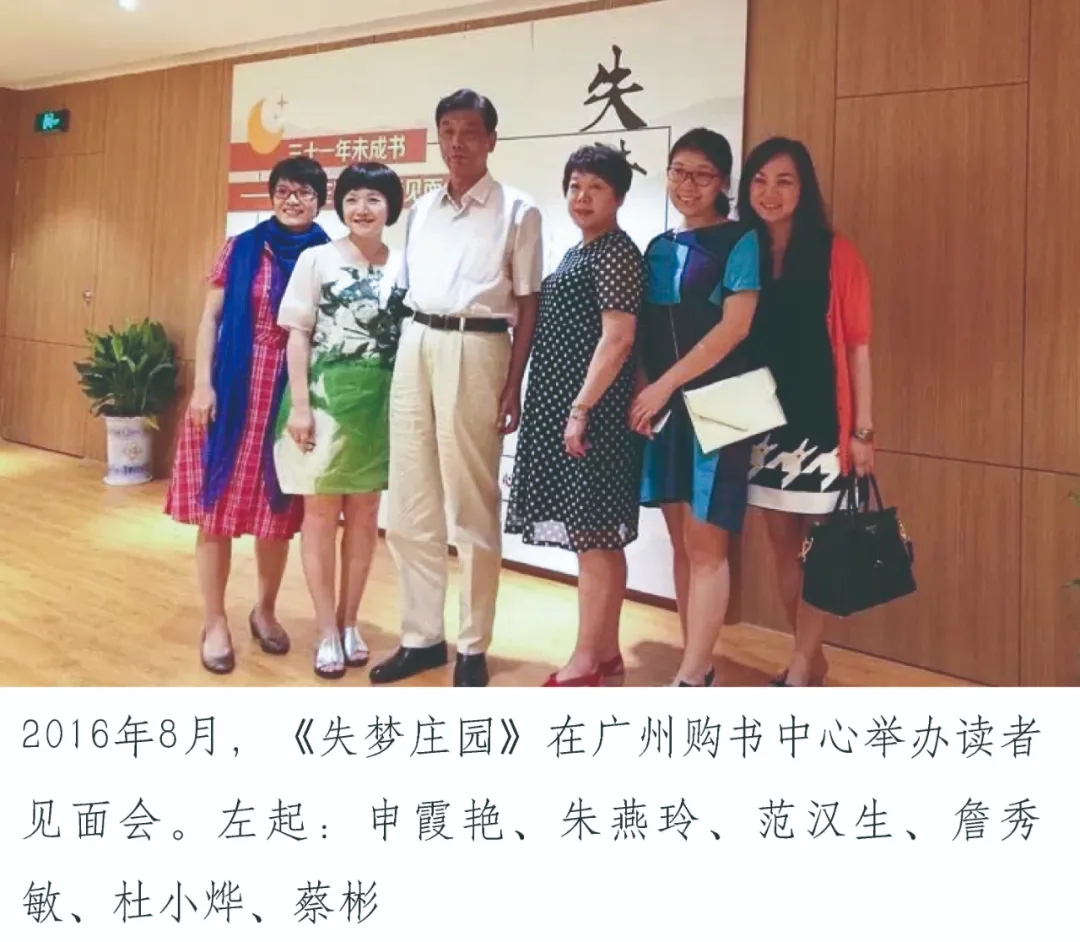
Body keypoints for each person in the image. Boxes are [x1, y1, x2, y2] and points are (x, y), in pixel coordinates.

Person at [370, 89, 543, 687]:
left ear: (491, 139)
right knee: (410, 503)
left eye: (470, 131)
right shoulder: (420, 210)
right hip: (417, 341)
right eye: (447, 131)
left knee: (471, 503)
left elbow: (528, 304)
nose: (457, 143)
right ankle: (422, 637)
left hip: (478, 345)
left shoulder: (518, 210)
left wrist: (513, 383)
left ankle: (473, 645)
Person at [165, 156, 330, 674]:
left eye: (304, 192)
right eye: (284, 190)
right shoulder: (240, 247)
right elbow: (210, 319)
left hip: (291, 394)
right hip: (231, 390)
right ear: (272, 195)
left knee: (275, 517)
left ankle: (265, 610)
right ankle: (214, 622)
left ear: (320, 201)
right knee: (216, 511)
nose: (293, 200)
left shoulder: (329, 255)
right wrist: (203, 384)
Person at [506, 144, 645, 687]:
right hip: (570, 409)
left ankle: (586, 660)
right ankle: (604, 653)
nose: (582, 197)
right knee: (597, 540)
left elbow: (618, 339)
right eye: (575, 186)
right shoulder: (580, 251)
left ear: (619, 197)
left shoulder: (614, 253)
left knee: (596, 541)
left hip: (593, 416)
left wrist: (580, 410)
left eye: (596, 187)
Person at [738, 136, 874, 687]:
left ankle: (799, 666)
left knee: (817, 550)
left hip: (820, 423)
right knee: (781, 547)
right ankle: (809, 656)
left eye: (784, 181)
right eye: (759, 180)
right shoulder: (742, 249)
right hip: (759, 422)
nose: (769, 192)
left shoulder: (834, 251)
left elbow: (858, 346)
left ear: (804, 188)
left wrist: (863, 431)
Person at [629, 128, 761, 687]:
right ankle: (697, 660)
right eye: (678, 171)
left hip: (727, 401)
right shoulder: (658, 246)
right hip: (665, 411)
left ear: (723, 182)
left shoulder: (741, 239)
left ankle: (692, 673)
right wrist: (646, 391)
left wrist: (662, 387)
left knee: (708, 545)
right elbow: (644, 332)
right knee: (682, 544)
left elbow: (735, 329)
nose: (688, 184)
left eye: (702, 174)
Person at [272, 162, 406, 680]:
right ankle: (326, 628)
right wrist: (300, 407)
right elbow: (297, 335)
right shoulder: (317, 259)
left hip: (380, 404)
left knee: (366, 516)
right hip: (324, 400)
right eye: (352, 199)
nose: (361, 209)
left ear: (391, 207)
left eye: (373, 199)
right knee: (320, 517)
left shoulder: (404, 266)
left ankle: (351, 622)